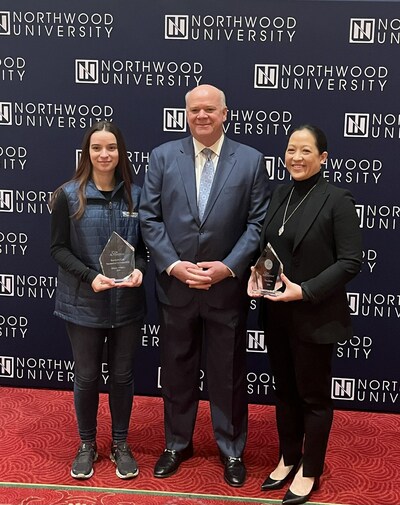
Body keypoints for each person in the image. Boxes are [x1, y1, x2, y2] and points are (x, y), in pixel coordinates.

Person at [139, 84, 270, 487]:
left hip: (225, 289)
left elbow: (257, 224)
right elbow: (149, 218)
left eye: (209, 110)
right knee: (177, 370)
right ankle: (177, 443)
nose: (201, 116)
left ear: (225, 113)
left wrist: (227, 268)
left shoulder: (249, 160)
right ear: (185, 113)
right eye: (194, 109)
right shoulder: (163, 157)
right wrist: (175, 266)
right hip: (176, 288)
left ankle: (231, 448)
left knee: (227, 372)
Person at [248, 125, 362, 505]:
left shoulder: (337, 199)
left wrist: (306, 290)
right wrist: (255, 274)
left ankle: (309, 469)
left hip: (314, 315)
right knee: (285, 394)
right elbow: (269, 247)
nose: (296, 157)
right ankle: (288, 457)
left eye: (305, 151)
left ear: (323, 157)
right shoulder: (280, 194)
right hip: (277, 314)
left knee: (313, 397)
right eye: (291, 149)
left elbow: (350, 261)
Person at [50, 121, 147, 480]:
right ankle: (87, 443)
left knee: (122, 377)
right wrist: (91, 277)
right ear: (86, 153)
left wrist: (139, 270)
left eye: (111, 148)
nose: (104, 154)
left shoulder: (137, 196)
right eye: (96, 148)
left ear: (121, 153)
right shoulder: (67, 195)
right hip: (83, 304)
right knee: (87, 376)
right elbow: (57, 248)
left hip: (127, 305)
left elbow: (144, 252)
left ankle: (121, 443)